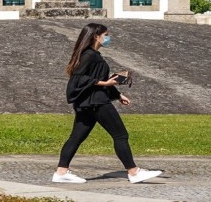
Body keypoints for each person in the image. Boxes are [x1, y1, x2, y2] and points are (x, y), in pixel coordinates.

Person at [53, 22, 163, 184]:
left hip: (87, 103)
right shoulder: (89, 55)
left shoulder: (93, 55)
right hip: (97, 103)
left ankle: (61, 172)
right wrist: (105, 84)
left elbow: (99, 78)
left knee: (76, 137)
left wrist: (118, 94)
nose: (108, 38)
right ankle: (133, 172)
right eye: (106, 35)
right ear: (96, 37)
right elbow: (78, 79)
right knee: (120, 135)